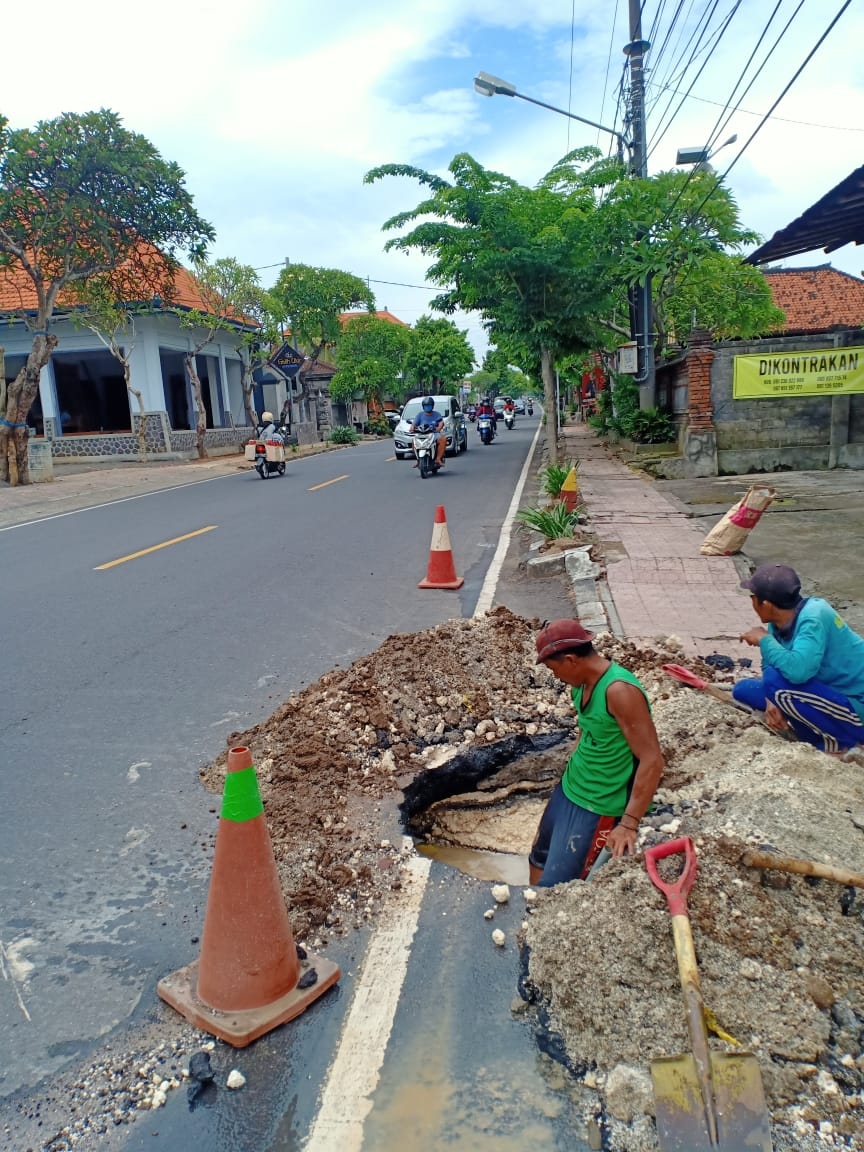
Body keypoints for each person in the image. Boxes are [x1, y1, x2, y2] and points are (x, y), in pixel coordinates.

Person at [529, 620, 665, 887]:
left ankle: (543, 922)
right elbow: (588, 728)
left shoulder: (620, 692)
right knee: (539, 857)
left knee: (559, 886)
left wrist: (628, 823)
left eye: (554, 668)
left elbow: (652, 759)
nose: (555, 676)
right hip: (570, 787)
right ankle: (527, 914)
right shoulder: (580, 683)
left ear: (570, 660)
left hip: (599, 802)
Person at [734, 564, 864, 754]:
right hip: (825, 693)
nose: (751, 603)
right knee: (743, 690)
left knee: (774, 682)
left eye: (753, 598)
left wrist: (764, 640)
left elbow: (799, 672)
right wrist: (772, 700)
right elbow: (770, 663)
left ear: (766, 604)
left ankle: (837, 745)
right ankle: (805, 719)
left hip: (855, 703)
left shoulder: (814, 617)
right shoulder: (778, 621)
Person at [409, 396, 446, 467]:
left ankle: (438, 459)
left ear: (432, 406)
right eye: (426, 406)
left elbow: (441, 423)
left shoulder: (437, 414)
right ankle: (418, 460)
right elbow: (414, 424)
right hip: (421, 434)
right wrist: (412, 428)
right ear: (423, 406)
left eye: (429, 405)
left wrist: (439, 428)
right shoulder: (420, 415)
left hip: (433, 434)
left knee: (443, 439)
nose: (427, 407)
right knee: (414, 441)